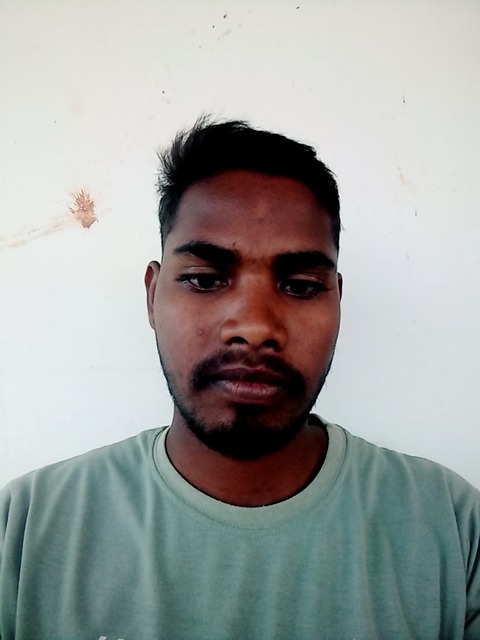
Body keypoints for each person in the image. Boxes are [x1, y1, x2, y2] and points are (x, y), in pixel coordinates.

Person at [0, 117, 479, 640]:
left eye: (300, 285)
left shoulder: (453, 529)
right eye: (204, 279)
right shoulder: (22, 531)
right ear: (152, 297)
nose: (254, 326)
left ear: (338, 300)